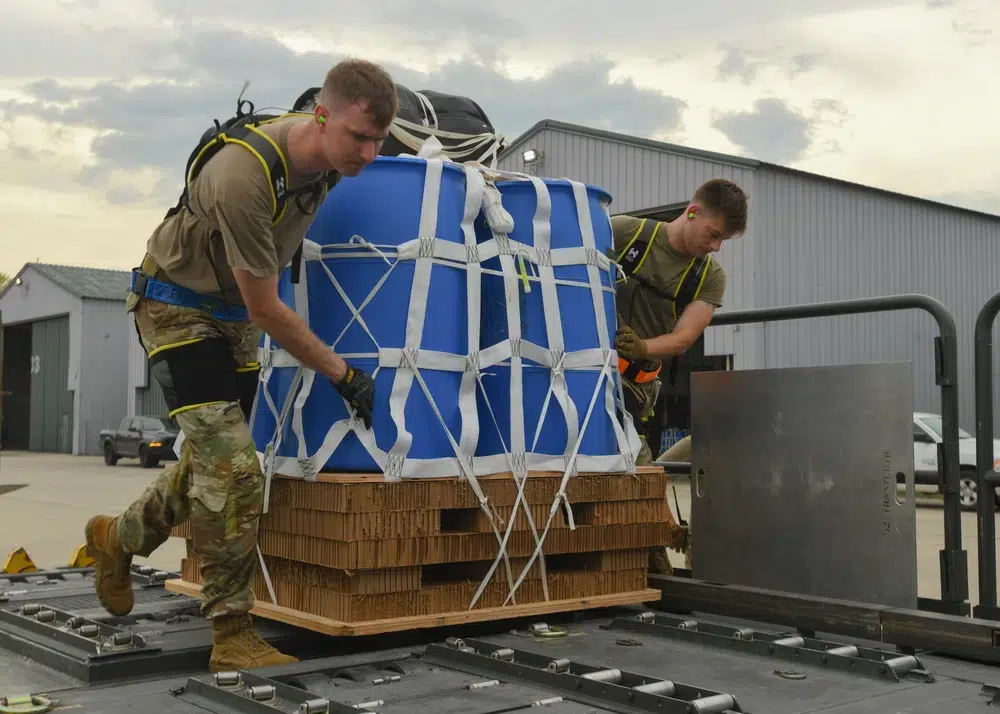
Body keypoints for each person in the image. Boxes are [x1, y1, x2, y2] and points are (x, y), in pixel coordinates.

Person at [83, 58, 398, 672]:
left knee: (209, 460)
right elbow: (266, 308)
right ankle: (231, 633)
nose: (369, 153)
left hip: (228, 316)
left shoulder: (329, 165)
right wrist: (343, 373)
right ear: (322, 114)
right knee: (234, 473)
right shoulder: (244, 176)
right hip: (176, 306)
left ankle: (115, 539)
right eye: (360, 137)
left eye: (380, 140)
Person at [611, 178, 748, 574]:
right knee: (633, 463)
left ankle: (664, 544)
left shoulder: (708, 277)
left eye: (723, 240)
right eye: (713, 234)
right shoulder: (625, 233)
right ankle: (659, 540)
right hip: (581, 374)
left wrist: (641, 348)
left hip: (633, 386)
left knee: (635, 459)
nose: (716, 246)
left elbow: (684, 338)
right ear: (693, 212)